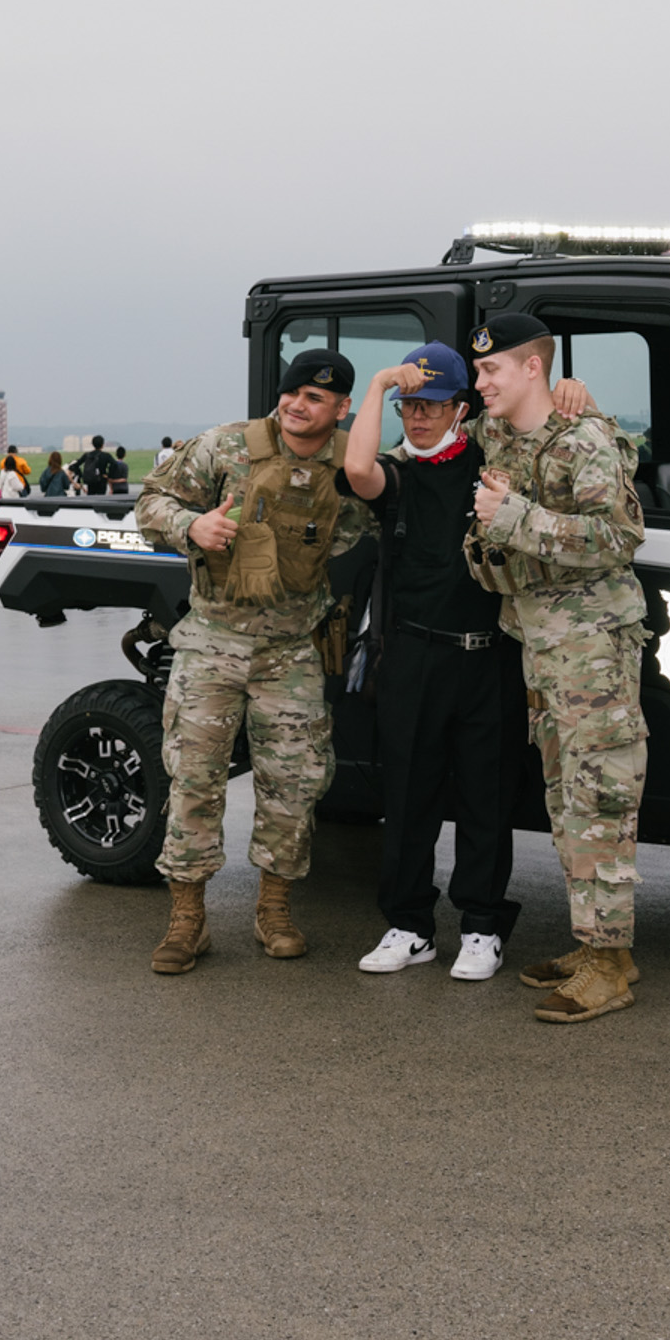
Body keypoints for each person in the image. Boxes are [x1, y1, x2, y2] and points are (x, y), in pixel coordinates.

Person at [133, 351, 372, 974]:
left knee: (295, 783)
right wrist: (192, 525)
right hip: (212, 642)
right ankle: (187, 919)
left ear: (342, 408)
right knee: (194, 779)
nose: (298, 405)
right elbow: (150, 501)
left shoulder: (352, 463)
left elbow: (401, 496)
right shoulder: (225, 446)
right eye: (293, 392)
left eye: (316, 398)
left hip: (290, 650)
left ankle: (275, 909)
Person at [465, 313, 652, 1025]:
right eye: (477, 370)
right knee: (566, 798)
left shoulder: (584, 440)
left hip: (594, 648)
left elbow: (620, 535)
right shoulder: (503, 435)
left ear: (532, 367)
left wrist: (515, 516)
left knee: (601, 798)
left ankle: (609, 964)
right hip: (542, 646)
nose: (481, 382)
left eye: (491, 369)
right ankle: (600, 946)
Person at [340, 345, 529, 984]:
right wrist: (377, 386)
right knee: (408, 796)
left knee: (486, 797)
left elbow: (535, 418)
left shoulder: (490, 464)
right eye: (409, 406)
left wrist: (574, 393)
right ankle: (409, 925)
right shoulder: (398, 474)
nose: (419, 418)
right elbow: (357, 467)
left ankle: (481, 926)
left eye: (432, 406)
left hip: (489, 656)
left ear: (460, 409)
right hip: (414, 655)